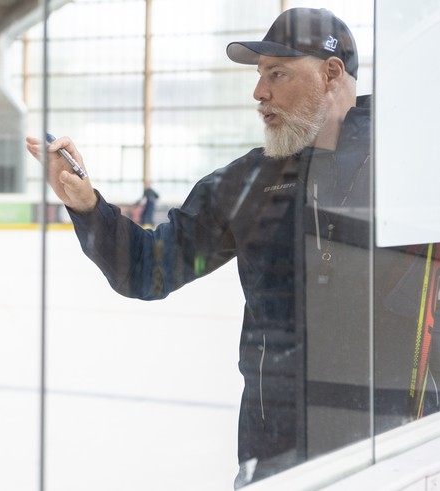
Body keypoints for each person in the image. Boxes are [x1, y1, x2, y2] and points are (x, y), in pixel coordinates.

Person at [27, 7, 373, 488]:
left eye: (277, 73)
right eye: (259, 75)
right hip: (278, 454)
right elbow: (149, 269)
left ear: (331, 73)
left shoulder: (408, 163)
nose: (259, 92)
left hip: (397, 447)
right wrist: (88, 208)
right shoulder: (245, 184)